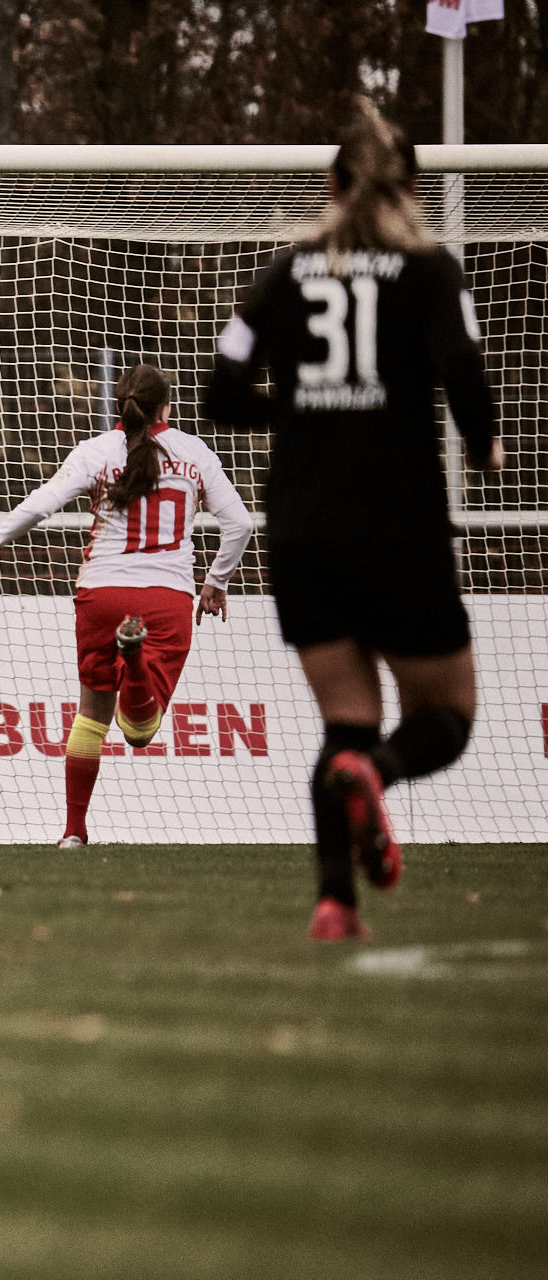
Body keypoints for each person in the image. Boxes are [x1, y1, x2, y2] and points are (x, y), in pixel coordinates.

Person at [205, 101, 503, 941]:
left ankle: (335, 903)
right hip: (400, 525)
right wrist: (484, 446)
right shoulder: (432, 270)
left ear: (331, 184)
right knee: (446, 717)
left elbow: (220, 394)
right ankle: (375, 771)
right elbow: (466, 377)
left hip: (301, 532)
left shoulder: (281, 274)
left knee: (343, 720)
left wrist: (299, 416)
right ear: (411, 187)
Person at [0, 363, 255, 849]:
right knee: (139, 732)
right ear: (167, 405)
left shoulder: (96, 452)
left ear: (119, 404)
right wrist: (216, 583)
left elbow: (45, 501)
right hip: (166, 598)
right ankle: (136, 658)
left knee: (90, 718)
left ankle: (73, 833)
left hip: (101, 594)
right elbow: (241, 525)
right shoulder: (194, 453)